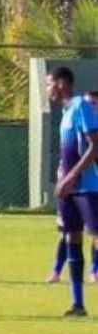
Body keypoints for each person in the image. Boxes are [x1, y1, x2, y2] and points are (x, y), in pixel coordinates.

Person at [49, 65, 98, 317]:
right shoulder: (66, 112)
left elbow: (94, 146)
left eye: (50, 84)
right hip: (69, 190)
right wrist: (63, 175)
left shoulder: (81, 106)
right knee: (72, 240)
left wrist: (71, 177)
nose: (48, 89)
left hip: (87, 188)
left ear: (60, 83)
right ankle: (78, 304)